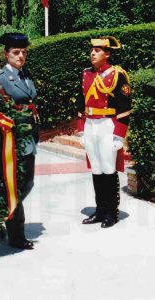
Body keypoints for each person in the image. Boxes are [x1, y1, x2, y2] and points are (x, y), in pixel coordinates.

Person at [0, 33, 39, 249]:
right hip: (9, 142)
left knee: (26, 183)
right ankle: (16, 234)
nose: (21, 56)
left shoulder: (26, 75)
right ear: (6, 54)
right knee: (14, 186)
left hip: (28, 139)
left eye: (24, 52)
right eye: (16, 52)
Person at [77, 36, 131, 228]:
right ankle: (100, 210)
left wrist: (119, 135)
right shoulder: (85, 73)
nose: (93, 53)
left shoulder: (117, 74)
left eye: (98, 50)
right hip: (90, 124)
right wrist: (81, 129)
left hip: (108, 124)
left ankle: (111, 212)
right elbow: (80, 103)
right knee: (96, 169)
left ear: (107, 54)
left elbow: (125, 107)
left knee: (109, 169)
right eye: (92, 49)